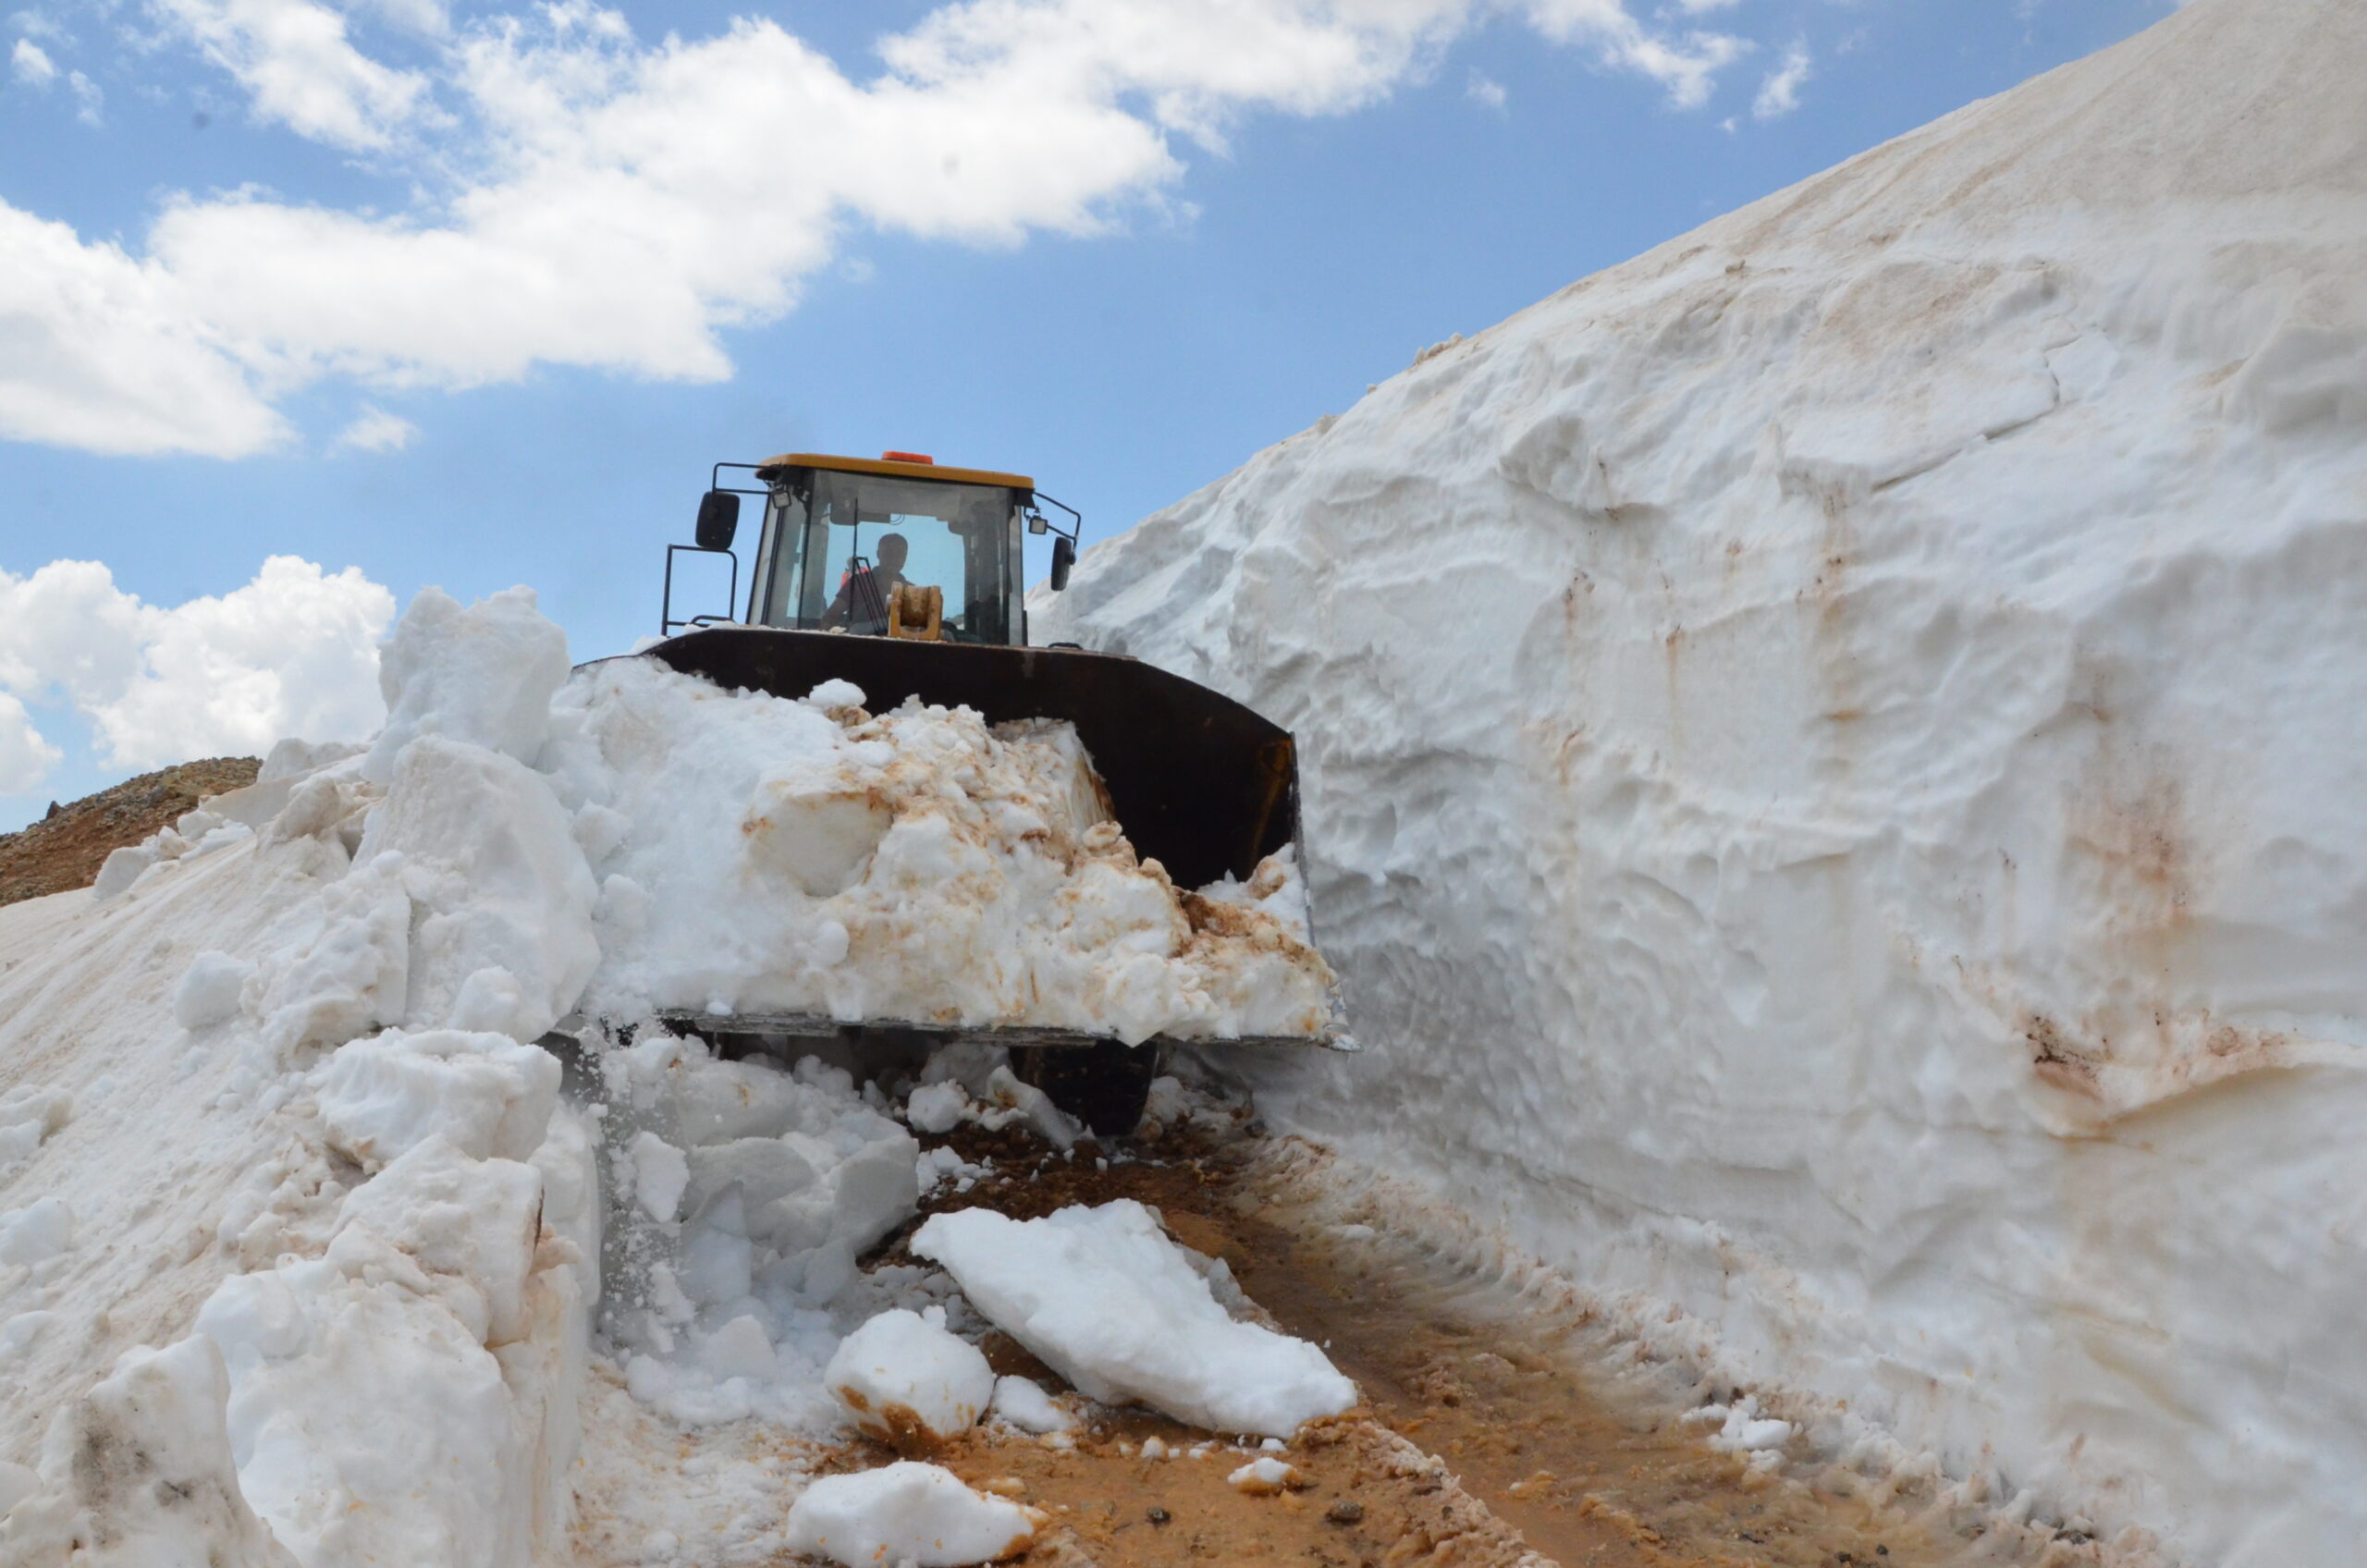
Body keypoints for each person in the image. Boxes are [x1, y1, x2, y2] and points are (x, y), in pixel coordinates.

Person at [821, 532, 908, 632]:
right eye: (889, 553)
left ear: (905, 557)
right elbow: (831, 616)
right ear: (878, 554)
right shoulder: (859, 583)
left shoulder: (911, 592)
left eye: (900, 554)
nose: (894, 558)